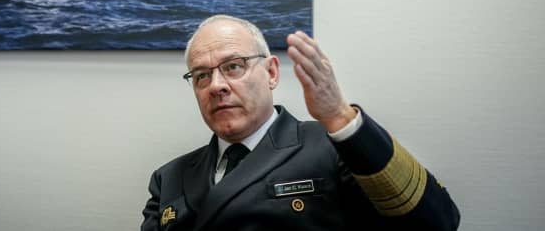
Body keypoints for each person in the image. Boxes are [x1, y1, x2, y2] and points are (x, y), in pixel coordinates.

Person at [141, 15, 460, 231]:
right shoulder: (169, 178)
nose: (216, 85)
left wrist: (340, 116)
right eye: (201, 76)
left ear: (271, 73)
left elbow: (437, 221)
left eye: (234, 66)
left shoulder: (334, 146)